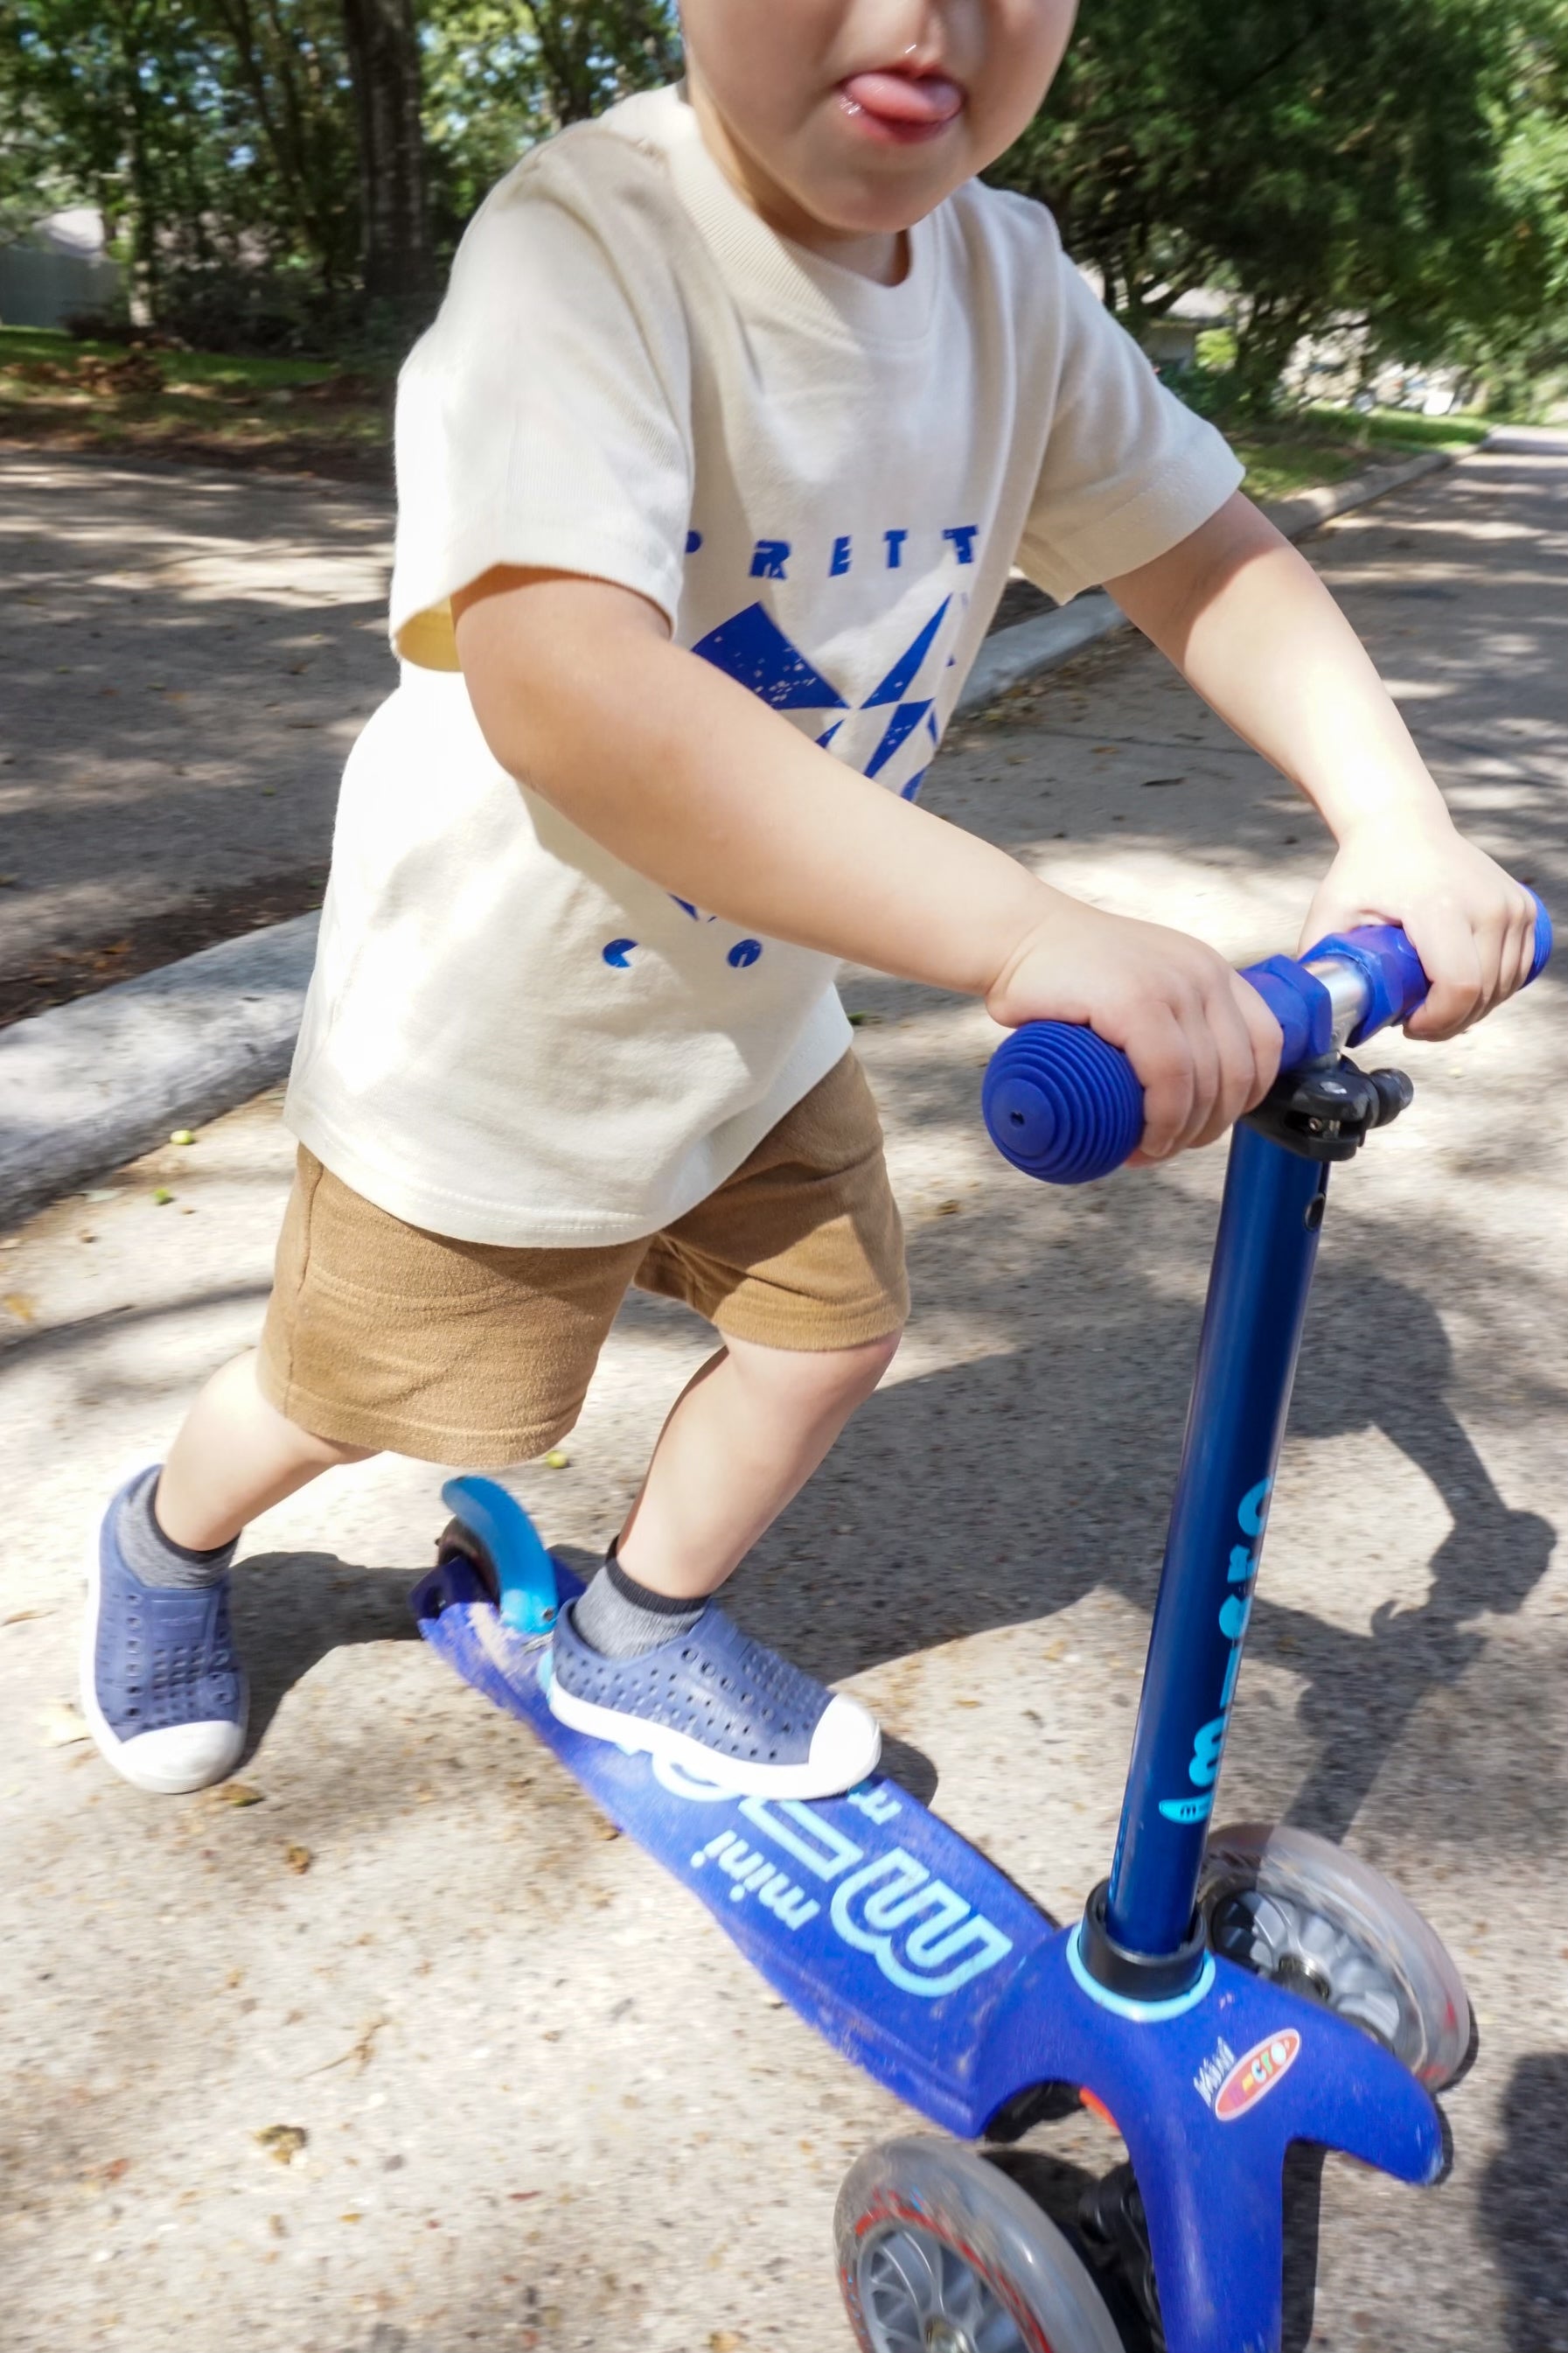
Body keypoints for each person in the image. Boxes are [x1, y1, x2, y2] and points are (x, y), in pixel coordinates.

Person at [80, 0, 1537, 1803]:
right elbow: (572, 689)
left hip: (754, 1018)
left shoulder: (1012, 285)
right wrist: (1024, 932)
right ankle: (165, 1534)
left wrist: (1394, 810)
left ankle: (640, 1627)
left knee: (827, 1327)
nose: (928, 14)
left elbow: (1205, 550)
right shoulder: (592, 239)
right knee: (348, 1394)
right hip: (491, 1034)